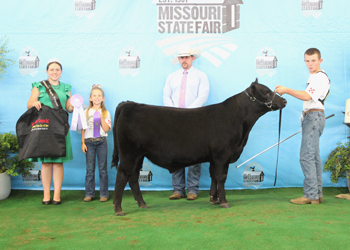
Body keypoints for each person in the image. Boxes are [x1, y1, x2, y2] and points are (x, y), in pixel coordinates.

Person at [275, 48, 330, 205]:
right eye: (307, 60)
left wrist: (286, 90)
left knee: (306, 156)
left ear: (320, 61)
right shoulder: (315, 77)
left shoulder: (319, 77)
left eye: (313, 60)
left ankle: (311, 194)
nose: (310, 63)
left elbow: (307, 96)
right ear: (304, 61)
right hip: (313, 117)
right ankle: (317, 194)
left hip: (313, 117)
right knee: (313, 156)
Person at [163, 45, 210, 200]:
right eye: (181, 57)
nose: (184, 60)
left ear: (192, 58)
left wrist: (188, 113)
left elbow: (202, 96)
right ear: (179, 59)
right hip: (174, 119)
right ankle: (177, 189)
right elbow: (166, 96)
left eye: (186, 57)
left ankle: (192, 190)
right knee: (175, 154)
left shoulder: (201, 76)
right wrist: (174, 113)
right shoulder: (171, 77)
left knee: (195, 155)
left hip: (194, 119)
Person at [27, 59, 74, 205]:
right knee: (46, 162)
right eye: (52, 69)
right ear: (47, 71)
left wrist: (75, 105)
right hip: (44, 127)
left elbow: (69, 108)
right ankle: (46, 195)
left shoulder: (66, 88)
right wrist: (34, 103)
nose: (54, 72)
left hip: (60, 126)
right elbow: (29, 104)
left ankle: (57, 195)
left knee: (58, 162)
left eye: (57, 70)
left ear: (61, 72)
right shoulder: (39, 86)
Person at [81, 85, 111, 202]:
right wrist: (83, 143)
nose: (97, 98)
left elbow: (107, 129)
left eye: (99, 96)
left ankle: (104, 194)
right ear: (90, 98)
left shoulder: (106, 112)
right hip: (89, 142)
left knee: (103, 169)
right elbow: (83, 129)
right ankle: (89, 193)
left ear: (103, 98)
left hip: (102, 142)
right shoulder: (86, 112)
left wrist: (100, 117)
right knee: (90, 169)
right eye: (94, 96)